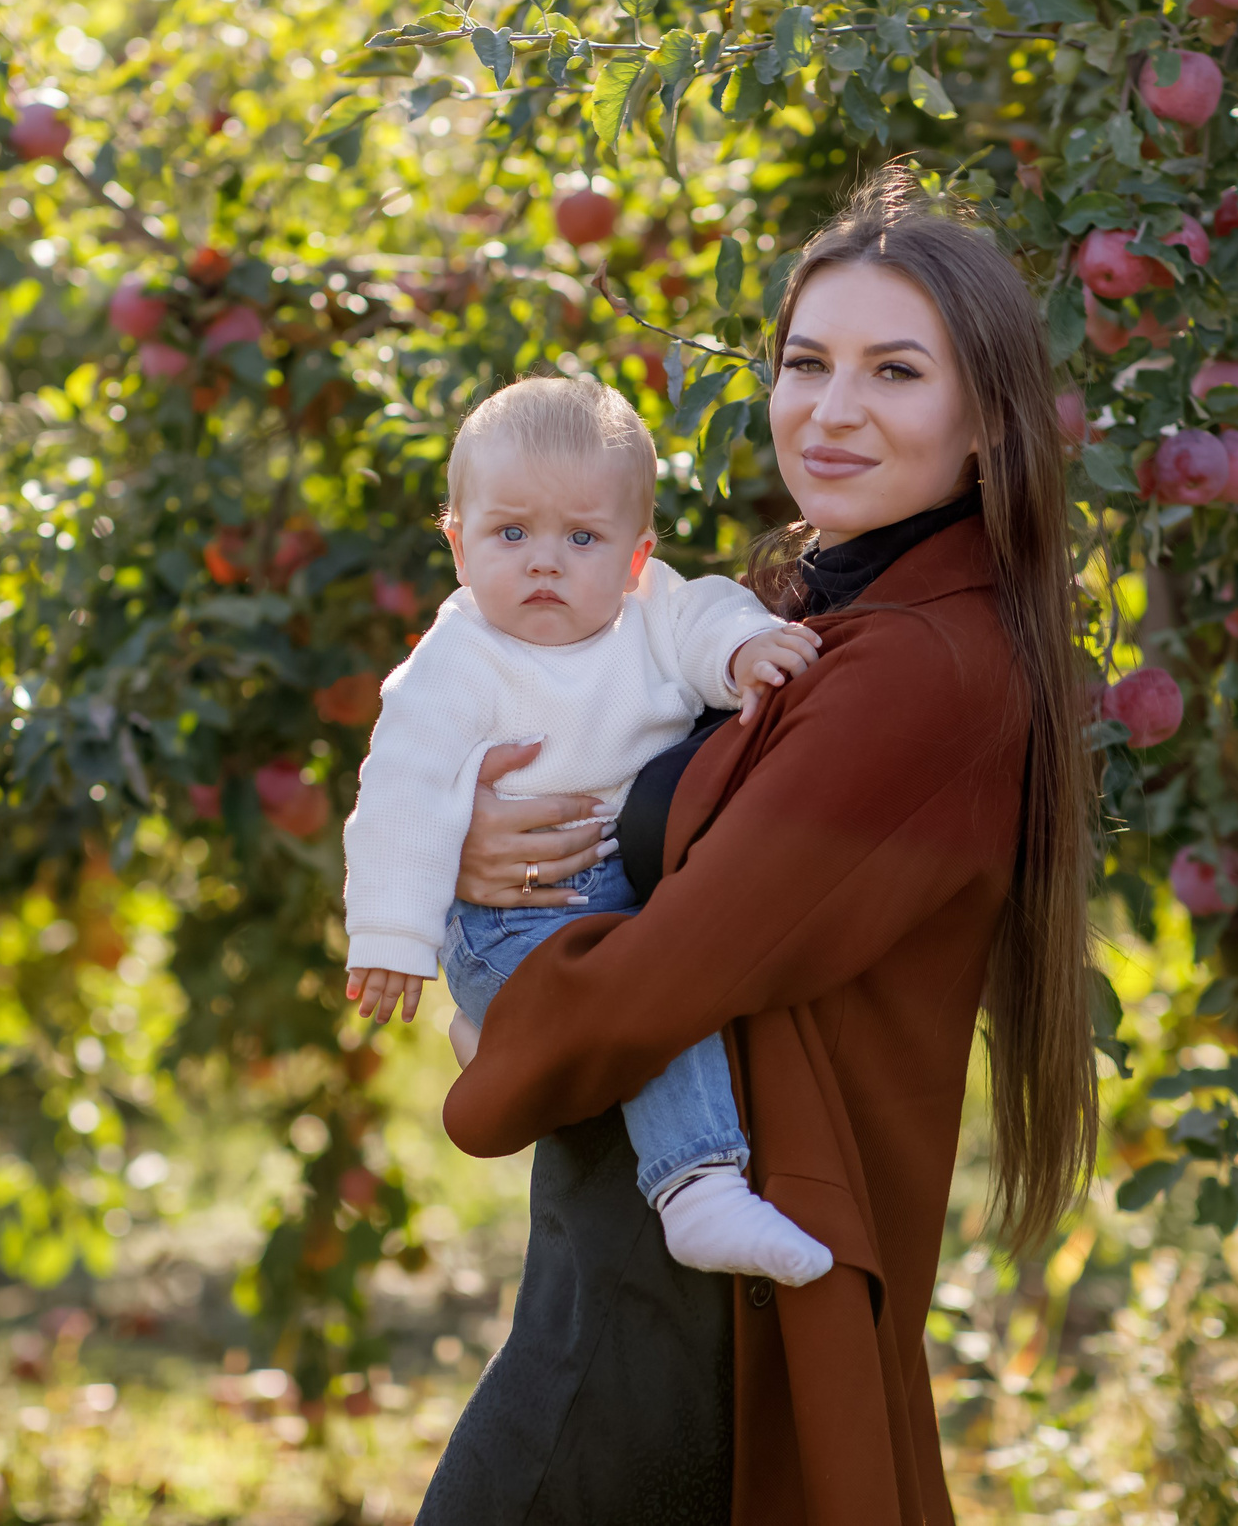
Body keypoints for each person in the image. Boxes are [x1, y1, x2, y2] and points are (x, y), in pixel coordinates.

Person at [413, 168, 1098, 1526]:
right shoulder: (816, 616)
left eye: (896, 371)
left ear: (986, 423)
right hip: (648, 1237)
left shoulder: (924, 668)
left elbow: (685, 962)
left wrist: (494, 1050)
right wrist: (475, 849)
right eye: (807, 361)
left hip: (709, 1291)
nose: (833, 410)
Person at [341, 374, 834, 1286]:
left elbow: (709, 614)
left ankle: (512, 1050)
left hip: (617, 904)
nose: (543, 562)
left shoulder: (649, 612)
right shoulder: (458, 660)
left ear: (636, 557)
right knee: (642, 993)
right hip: (511, 924)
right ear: (458, 543)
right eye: (510, 533)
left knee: (652, 973)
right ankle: (698, 1189)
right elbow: (399, 793)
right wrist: (390, 933)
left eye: (581, 537)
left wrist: (741, 651)